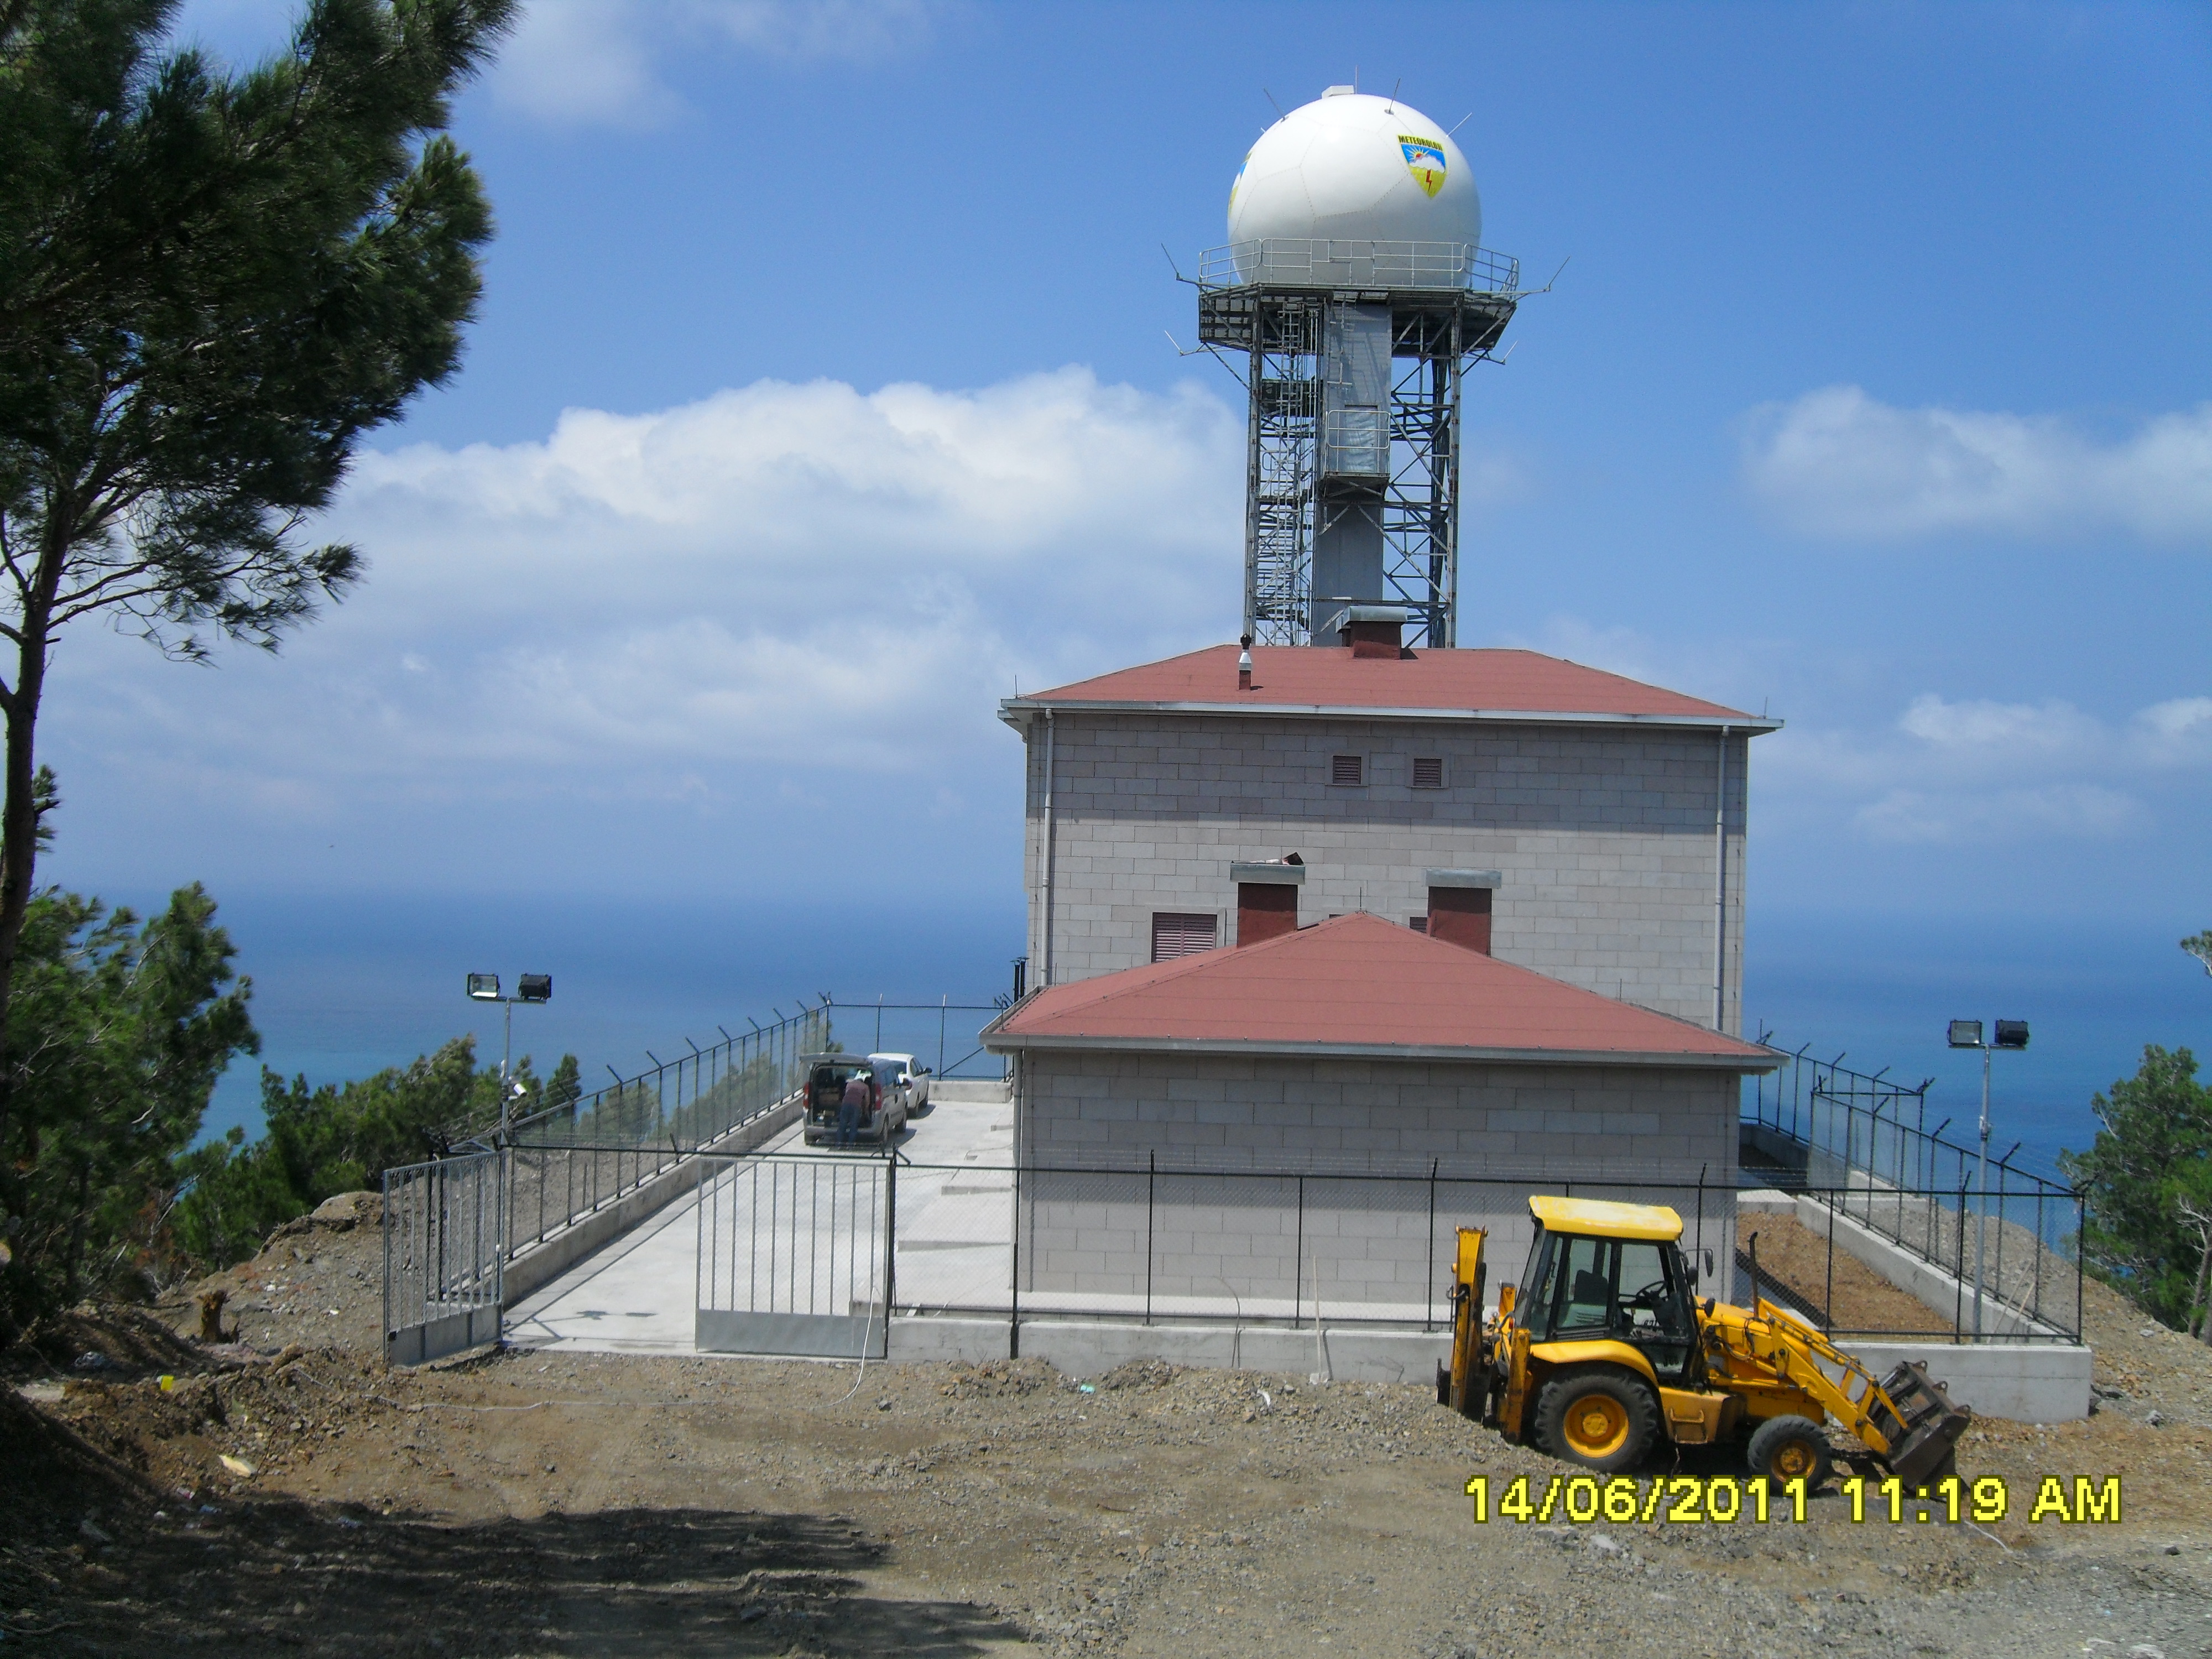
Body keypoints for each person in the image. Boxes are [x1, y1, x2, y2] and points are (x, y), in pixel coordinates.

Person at [837, 1071, 868, 1148]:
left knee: (842, 1125)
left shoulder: (849, 1084)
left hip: (845, 1104)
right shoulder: (865, 1086)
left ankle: (839, 1144)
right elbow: (868, 1100)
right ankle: (850, 1145)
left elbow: (846, 1094)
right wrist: (865, 1110)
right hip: (856, 1106)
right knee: (853, 1126)